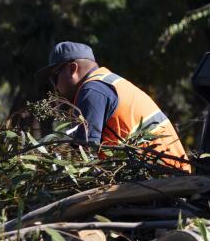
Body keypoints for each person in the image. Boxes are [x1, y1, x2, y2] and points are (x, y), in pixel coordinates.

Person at [41, 41, 191, 172]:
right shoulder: (106, 82)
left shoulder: (91, 90)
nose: (54, 85)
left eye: (54, 77)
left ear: (72, 69)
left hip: (160, 176)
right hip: (171, 170)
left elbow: (87, 154)